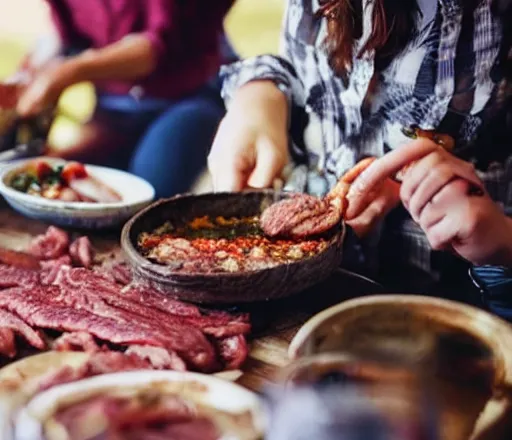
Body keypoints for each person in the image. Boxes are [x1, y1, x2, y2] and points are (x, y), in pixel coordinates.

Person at [208, 0, 512, 314]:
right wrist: (260, 92)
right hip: (314, 291)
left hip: (456, 307)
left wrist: (503, 242)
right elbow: (305, 71)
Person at [12, 0, 237, 198]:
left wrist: (66, 73)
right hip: (114, 107)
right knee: (48, 180)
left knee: (149, 196)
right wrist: (27, 77)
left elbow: (157, 48)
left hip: (186, 99)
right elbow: (62, 36)